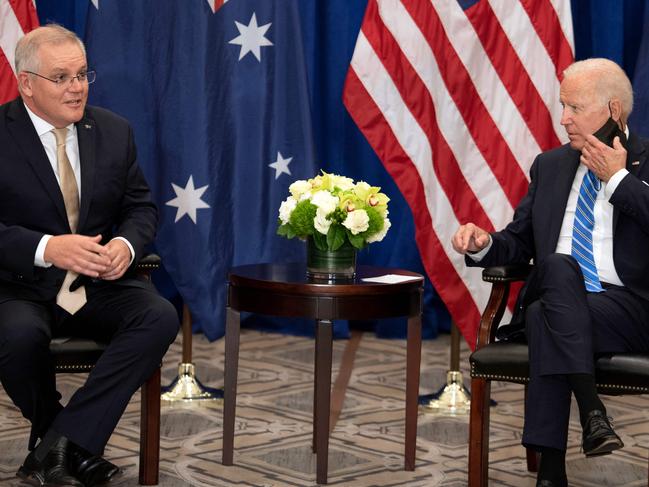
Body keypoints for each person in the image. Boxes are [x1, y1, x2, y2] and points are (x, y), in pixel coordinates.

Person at [452, 58, 649, 487]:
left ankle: (552, 473)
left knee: (545, 317)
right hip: (561, 290)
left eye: (575, 108)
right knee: (559, 268)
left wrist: (617, 180)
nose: (564, 120)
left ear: (613, 110)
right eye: (563, 107)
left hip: (627, 309)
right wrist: (486, 243)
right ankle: (591, 413)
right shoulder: (551, 165)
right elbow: (519, 241)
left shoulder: (645, 162)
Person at [0, 25, 180, 487]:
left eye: (82, 75)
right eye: (60, 77)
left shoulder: (114, 130)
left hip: (96, 284)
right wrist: (47, 248)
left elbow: (140, 207)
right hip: (19, 286)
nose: (76, 87)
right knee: (18, 337)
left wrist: (125, 245)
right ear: (26, 83)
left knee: (158, 315)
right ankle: (62, 439)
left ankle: (57, 444)